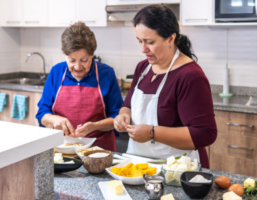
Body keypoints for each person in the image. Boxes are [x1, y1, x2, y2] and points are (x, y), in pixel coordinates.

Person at [113, 5, 217, 168]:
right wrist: (123, 116)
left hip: (175, 170)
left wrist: (152, 133)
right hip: (138, 165)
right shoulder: (143, 68)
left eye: (150, 42)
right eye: (140, 41)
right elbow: (127, 106)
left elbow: (205, 134)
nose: (143, 49)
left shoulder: (190, 76)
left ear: (170, 38)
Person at [36, 22, 123, 151]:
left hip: (99, 151)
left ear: (92, 55)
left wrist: (94, 126)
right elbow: (42, 113)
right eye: (71, 60)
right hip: (61, 149)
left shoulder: (106, 74)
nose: (77, 67)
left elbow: (118, 118)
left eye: (84, 60)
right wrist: (53, 119)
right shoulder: (56, 72)